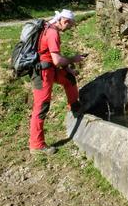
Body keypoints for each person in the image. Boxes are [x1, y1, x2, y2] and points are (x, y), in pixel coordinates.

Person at [29, 9, 86, 155]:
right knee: (41, 107)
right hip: (42, 73)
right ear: (65, 21)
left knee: (69, 78)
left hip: (50, 69)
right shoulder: (53, 33)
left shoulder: (48, 27)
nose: (70, 28)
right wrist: (74, 59)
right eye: (70, 26)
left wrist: (67, 68)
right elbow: (57, 59)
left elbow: (53, 58)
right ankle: (36, 145)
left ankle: (75, 108)